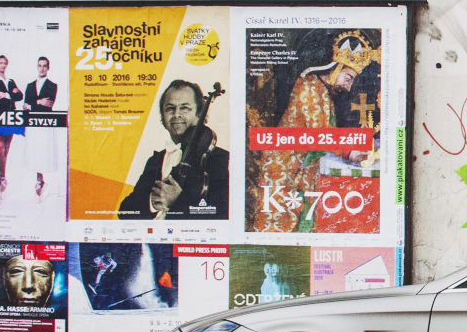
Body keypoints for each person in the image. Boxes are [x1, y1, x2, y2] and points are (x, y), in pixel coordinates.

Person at [254, 31, 378, 233]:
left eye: (352, 80)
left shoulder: (323, 92)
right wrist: (350, 152)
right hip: (283, 163)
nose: (349, 86)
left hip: (301, 163)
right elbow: (320, 132)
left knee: (301, 217)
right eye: (348, 77)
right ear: (336, 68)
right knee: (279, 220)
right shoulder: (310, 87)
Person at [118, 80, 229, 220]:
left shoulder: (221, 159)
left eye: (185, 108)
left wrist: (178, 200)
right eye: (170, 108)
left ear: (199, 114)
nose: (176, 114)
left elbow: (222, 215)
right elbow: (125, 211)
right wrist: (152, 202)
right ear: (163, 116)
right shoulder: (155, 160)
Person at [21, 56, 57, 200]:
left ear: (48, 68)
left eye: (44, 66)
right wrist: (38, 102)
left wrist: (32, 104)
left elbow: (49, 105)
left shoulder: (52, 85)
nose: (41, 68)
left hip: (45, 123)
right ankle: (38, 180)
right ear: (37, 67)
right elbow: (25, 105)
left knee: (43, 150)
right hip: (32, 123)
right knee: (34, 150)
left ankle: (40, 181)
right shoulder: (30, 85)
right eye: (39, 65)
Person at [0, 55, 23, 195]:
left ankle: (1, 177)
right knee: (0, 146)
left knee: (7, 148)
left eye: (5, 63)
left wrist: (7, 95)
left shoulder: (10, 81)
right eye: (0, 63)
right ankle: (2, 177)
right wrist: (11, 95)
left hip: (12, 117)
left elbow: (20, 97)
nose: (3, 65)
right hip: (0, 117)